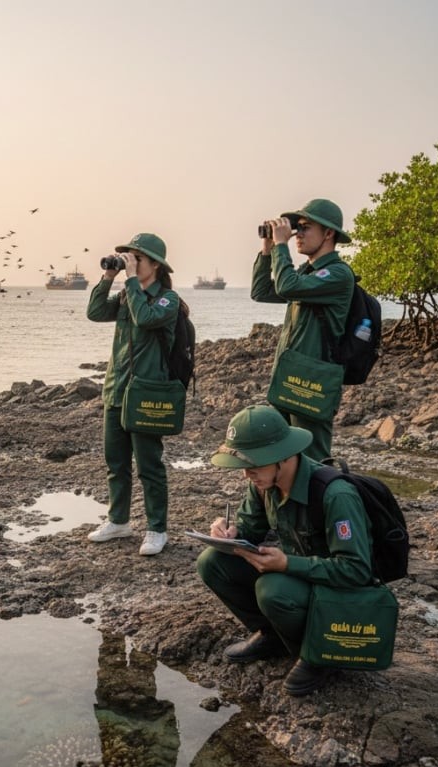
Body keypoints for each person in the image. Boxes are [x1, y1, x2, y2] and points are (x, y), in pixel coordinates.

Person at [195, 404, 374, 696]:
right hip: (302, 580)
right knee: (212, 562)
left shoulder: (336, 495)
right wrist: (231, 533)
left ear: (284, 456)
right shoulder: (265, 483)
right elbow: (251, 527)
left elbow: (356, 571)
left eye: (254, 464)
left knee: (272, 588)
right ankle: (273, 635)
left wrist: (287, 564)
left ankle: (319, 654)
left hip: (339, 594)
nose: (246, 475)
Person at [86, 233, 180, 555]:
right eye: (128, 257)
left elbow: (146, 318)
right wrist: (108, 277)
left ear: (155, 264)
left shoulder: (168, 299)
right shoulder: (128, 294)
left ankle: (157, 529)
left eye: (136, 258)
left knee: (149, 465)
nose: (131, 262)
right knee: (116, 462)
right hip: (116, 389)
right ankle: (119, 520)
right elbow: (95, 313)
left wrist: (129, 283)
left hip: (147, 394)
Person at [252, 198, 355, 461]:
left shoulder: (338, 274)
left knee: (313, 459)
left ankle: (327, 502)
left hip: (313, 381)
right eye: (296, 227)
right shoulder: (307, 274)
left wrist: (280, 244)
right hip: (290, 376)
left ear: (329, 233)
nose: (298, 233)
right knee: (283, 458)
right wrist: (267, 250)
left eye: (306, 227)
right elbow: (262, 291)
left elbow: (286, 286)